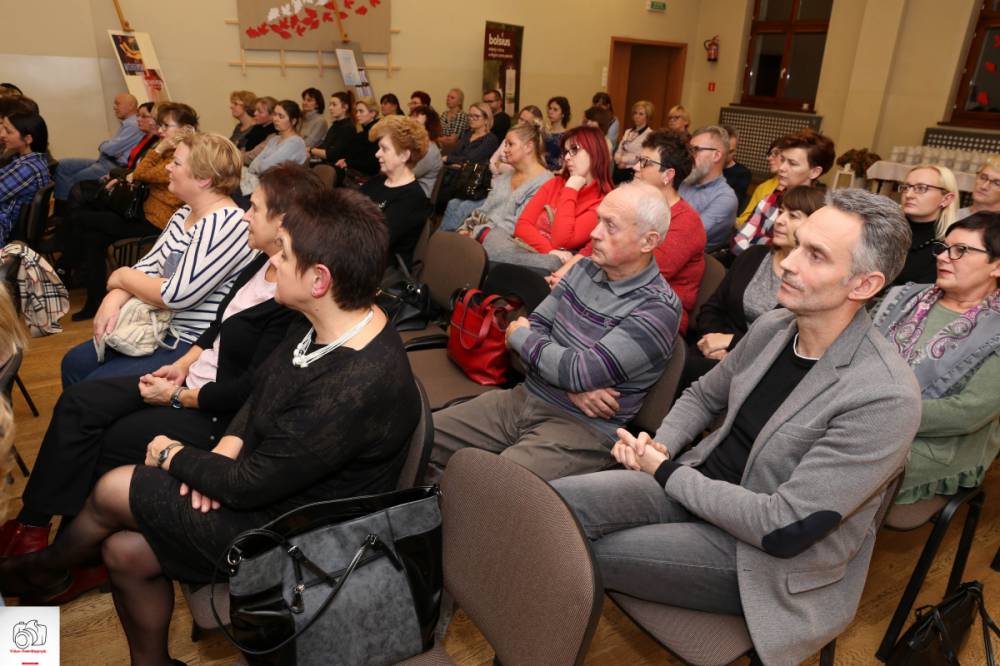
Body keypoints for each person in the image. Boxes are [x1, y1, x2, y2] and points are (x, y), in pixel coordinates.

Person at [0, 188, 421, 666]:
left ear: (319, 279)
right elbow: (260, 391)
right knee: (123, 550)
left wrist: (171, 454)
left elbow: (248, 486)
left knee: (116, 486)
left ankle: (41, 568)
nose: (273, 261)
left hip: (298, 533)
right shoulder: (328, 319)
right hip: (266, 481)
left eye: (285, 254)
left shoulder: (353, 386)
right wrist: (223, 450)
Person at [552, 188, 922, 666]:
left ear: (864, 285)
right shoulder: (775, 328)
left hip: (761, 559)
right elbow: (704, 395)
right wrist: (660, 447)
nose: (788, 264)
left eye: (815, 256)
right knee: (550, 506)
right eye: (797, 245)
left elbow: (782, 527)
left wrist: (664, 472)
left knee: (577, 550)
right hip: (696, 487)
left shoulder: (884, 396)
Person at [0, 167, 316, 604]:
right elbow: (218, 325)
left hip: (214, 412)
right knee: (80, 400)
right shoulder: (261, 262)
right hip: (190, 379)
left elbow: (248, 393)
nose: (246, 215)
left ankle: (75, 559)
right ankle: (35, 528)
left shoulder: (291, 295)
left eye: (256, 208)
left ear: (283, 222)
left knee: (110, 439)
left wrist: (178, 395)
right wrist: (182, 365)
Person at [428, 181, 681, 482]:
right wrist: (571, 384)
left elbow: (574, 367)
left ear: (648, 242)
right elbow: (539, 329)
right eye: (598, 220)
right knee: (421, 434)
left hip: (582, 429)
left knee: (489, 485)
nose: (594, 233)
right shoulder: (584, 268)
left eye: (610, 226)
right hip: (525, 397)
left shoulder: (658, 308)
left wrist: (524, 340)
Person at [60, 132, 255, 387]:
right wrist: (114, 296)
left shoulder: (228, 223)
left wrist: (120, 276)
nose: (168, 168)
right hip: (159, 326)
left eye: (176, 163)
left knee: (90, 389)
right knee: (73, 363)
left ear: (204, 179)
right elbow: (148, 266)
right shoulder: (185, 213)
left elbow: (176, 294)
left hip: (190, 342)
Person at [875, 211, 1000, 506]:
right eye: (943, 248)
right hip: (860, 417)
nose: (943, 257)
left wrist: (877, 414)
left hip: (936, 444)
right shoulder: (904, 297)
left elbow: (967, 412)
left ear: (996, 265)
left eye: (960, 250)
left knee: (843, 460)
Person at [548, 129, 706, 336]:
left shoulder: (686, 223)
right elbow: (591, 249)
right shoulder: (632, 204)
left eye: (645, 162)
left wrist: (572, 280)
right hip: (607, 294)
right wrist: (561, 275)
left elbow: (633, 272)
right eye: (639, 159)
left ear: (668, 175)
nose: (635, 167)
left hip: (652, 317)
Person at [62, 103, 198, 321]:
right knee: (92, 235)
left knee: (80, 217)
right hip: (142, 212)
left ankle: (67, 265)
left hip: (157, 221)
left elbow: (142, 173)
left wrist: (160, 147)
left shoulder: (183, 156)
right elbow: (139, 171)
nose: (161, 130)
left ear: (185, 129)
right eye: (160, 125)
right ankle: (93, 297)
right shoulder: (171, 150)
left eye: (166, 126)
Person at [689, 186, 825, 383]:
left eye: (793, 216)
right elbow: (712, 308)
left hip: (760, 370)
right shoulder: (753, 256)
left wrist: (732, 343)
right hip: (710, 351)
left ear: (813, 227)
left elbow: (790, 342)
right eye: (781, 212)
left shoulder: (811, 281)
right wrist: (712, 340)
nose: (779, 220)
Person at [484, 125, 613, 273]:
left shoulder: (602, 202)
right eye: (566, 152)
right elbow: (523, 225)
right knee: (495, 236)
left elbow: (561, 241)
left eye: (574, 150)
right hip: (529, 253)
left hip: (550, 269)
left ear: (594, 152)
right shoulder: (555, 183)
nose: (567, 157)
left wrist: (570, 190)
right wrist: (550, 251)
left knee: (552, 263)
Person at [731, 128, 835, 254]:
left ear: (814, 172)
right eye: (782, 160)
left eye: (792, 163)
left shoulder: (821, 213)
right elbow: (738, 242)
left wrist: (759, 242)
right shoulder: (771, 200)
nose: (782, 168)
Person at [442, 122, 552, 234]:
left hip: (505, 240)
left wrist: (476, 233)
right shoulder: (504, 177)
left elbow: (517, 225)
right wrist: (465, 228)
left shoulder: (544, 182)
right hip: (481, 234)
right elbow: (483, 210)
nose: (505, 150)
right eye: (505, 144)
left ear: (528, 147)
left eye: (510, 144)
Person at [360, 116, 432, 270]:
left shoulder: (413, 198)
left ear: (404, 155)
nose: (377, 154)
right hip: (357, 256)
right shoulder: (378, 181)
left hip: (378, 269)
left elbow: (374, 241)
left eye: (384, 149)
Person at [54, 93, 143, 200]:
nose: (114, 107)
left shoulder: (133, 125)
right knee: (63, 165)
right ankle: (63, 203)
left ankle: (66, 205)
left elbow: (110, 149)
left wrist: (103, 145)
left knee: (76, 179)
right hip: (106, 161)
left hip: (114, 165)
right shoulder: (129, 123)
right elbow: (112, 148)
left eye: (117, 104)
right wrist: (107, 146)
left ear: (131, 105)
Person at [894, 164, 959, 286]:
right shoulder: (884, 229)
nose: (908, 195)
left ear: (946, 199)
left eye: (921, 188)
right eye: (906, 187)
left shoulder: (948, 247)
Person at [678, 126, 738, 250]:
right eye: (689, 150)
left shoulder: (725, 198)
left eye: (695, 150)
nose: (689, 156)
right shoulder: (686, 182)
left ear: (716, 156)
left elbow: (686, 235)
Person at [239, 99, 308, 199]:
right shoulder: (274, 139)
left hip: (282, 191)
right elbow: (254, 164)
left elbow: (266, 167)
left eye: (281, 116)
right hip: (265, 185)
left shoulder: (295, 142)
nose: (275, 119)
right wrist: (258, 168)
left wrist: (258, 168)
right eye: (275, 114)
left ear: (293, 121)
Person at [0, 111, 50, 245]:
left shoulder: (27, 168)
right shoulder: (30, 160)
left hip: (5, 226)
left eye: (8, 131)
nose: (2, 135)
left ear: (28, 139)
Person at [735, 137, 783, 230]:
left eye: (776, 154)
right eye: (769, 154)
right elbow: (744, 219)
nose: (769, 158)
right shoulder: (763, 187)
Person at [309, 91, 354, 178]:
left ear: (345, 107)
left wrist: (311, 150)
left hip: (337, 169)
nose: (330, 108)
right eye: (330, 105)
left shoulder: (347, 128)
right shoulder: (336, 125)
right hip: (328, 164)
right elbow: (325, 145)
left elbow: (331, 155)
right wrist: (311, 151)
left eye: (334, 105)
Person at [336, 96, 380, 181]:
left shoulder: (375, 133)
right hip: (360, 173)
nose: (357, 115)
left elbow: (371, 164)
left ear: (373, 113)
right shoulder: (363, 132)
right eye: (357, 111)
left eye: (361, 111)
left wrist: (347, 162)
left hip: (368, 177)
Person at [442, 102, 499, 166]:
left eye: (476, 116)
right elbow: (454, 153)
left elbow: (471, 159)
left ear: (486, 119)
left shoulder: (490, 139)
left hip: (475, 171)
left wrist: (448, 159)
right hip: (455, 168)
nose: (471, 119)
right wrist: (453, 162)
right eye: (470, 115)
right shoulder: (467, 134)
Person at [613, 101, 654, 184]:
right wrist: (618, 159)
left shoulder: (650, 135)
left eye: (641, 114)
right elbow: (619, 149)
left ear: (647, 117)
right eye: (635, 113)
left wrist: (624, 161)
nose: (636, 116)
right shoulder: (628, 132)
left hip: (634, 172)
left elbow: (643, 157)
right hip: (619, 168)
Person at [409, 104, 444, 199]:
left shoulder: (430, 151)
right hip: (410, 189)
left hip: (420, 196)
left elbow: (408, 175)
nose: (410, 128)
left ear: (428, 130)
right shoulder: (415, 144)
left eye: (416, 124)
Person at [721, 124, 752, 214]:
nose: (726, 156)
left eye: (731, 151)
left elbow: (732, 206)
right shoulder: (706, 167)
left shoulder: (743, 174)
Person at [543, 96, 570, 171]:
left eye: (555, 109)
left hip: (558, 172)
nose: (550, 112)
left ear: (563, 114)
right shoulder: (544, 132)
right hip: (542, 170)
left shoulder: (567, 135)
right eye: (550, 108)